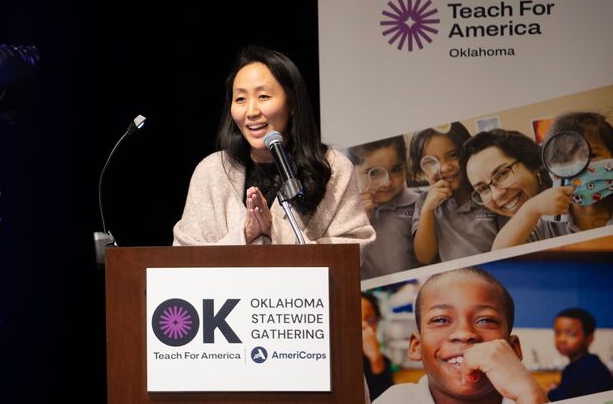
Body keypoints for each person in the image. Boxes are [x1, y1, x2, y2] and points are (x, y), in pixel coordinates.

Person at [172, 46, 375, 248]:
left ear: (292, 102)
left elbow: (353, 249)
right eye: (240, 99)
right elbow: (183, 254)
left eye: (263, 97)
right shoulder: (212, 171)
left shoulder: (332, 167)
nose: (251, 111)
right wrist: (245, 233)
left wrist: (274, 229)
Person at [373, 267, 547, 404]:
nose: (464, 334)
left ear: (513, 348)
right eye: (441, 320)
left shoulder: (532, 401)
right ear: (416, 346)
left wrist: (529, 396)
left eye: (485, 320)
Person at [409, 123, 504, 264]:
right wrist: (428, 210)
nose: (445, 167)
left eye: (453, 155)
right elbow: (424, 258)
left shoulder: (488, 191)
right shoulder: (424, 202)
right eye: (433, 162)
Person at [462, 129, 569, 250]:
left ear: (531, 164)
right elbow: (501, 256)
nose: (496, 195)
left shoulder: (571, 196)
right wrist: (531, 209)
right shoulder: (505, 231)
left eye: (502, 174)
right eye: (483, 189)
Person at [348, 137, 421, 278]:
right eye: (374, 173)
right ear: (351, 171)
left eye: (396, 170)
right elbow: (346, 265)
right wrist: (360, 222)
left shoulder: (418, 203)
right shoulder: (346, 215)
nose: (387, 183)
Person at [544, 112, 613, 232]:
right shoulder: (547, 223)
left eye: (592, 155)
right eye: (566, 159)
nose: (579, 168)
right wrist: (531, 210)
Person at [548, 307, 613, 401]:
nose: (562, 339)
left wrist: (551, 391)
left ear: (589, 338)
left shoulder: (591, 368)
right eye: (558, 333)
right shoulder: (573, 367)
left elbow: (564, 399)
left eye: (571, 334)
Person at [362, 291, 395, 401]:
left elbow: (387, 403)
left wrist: (375, 359)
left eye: (370, 320)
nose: (364, 325)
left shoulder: (382, 361)